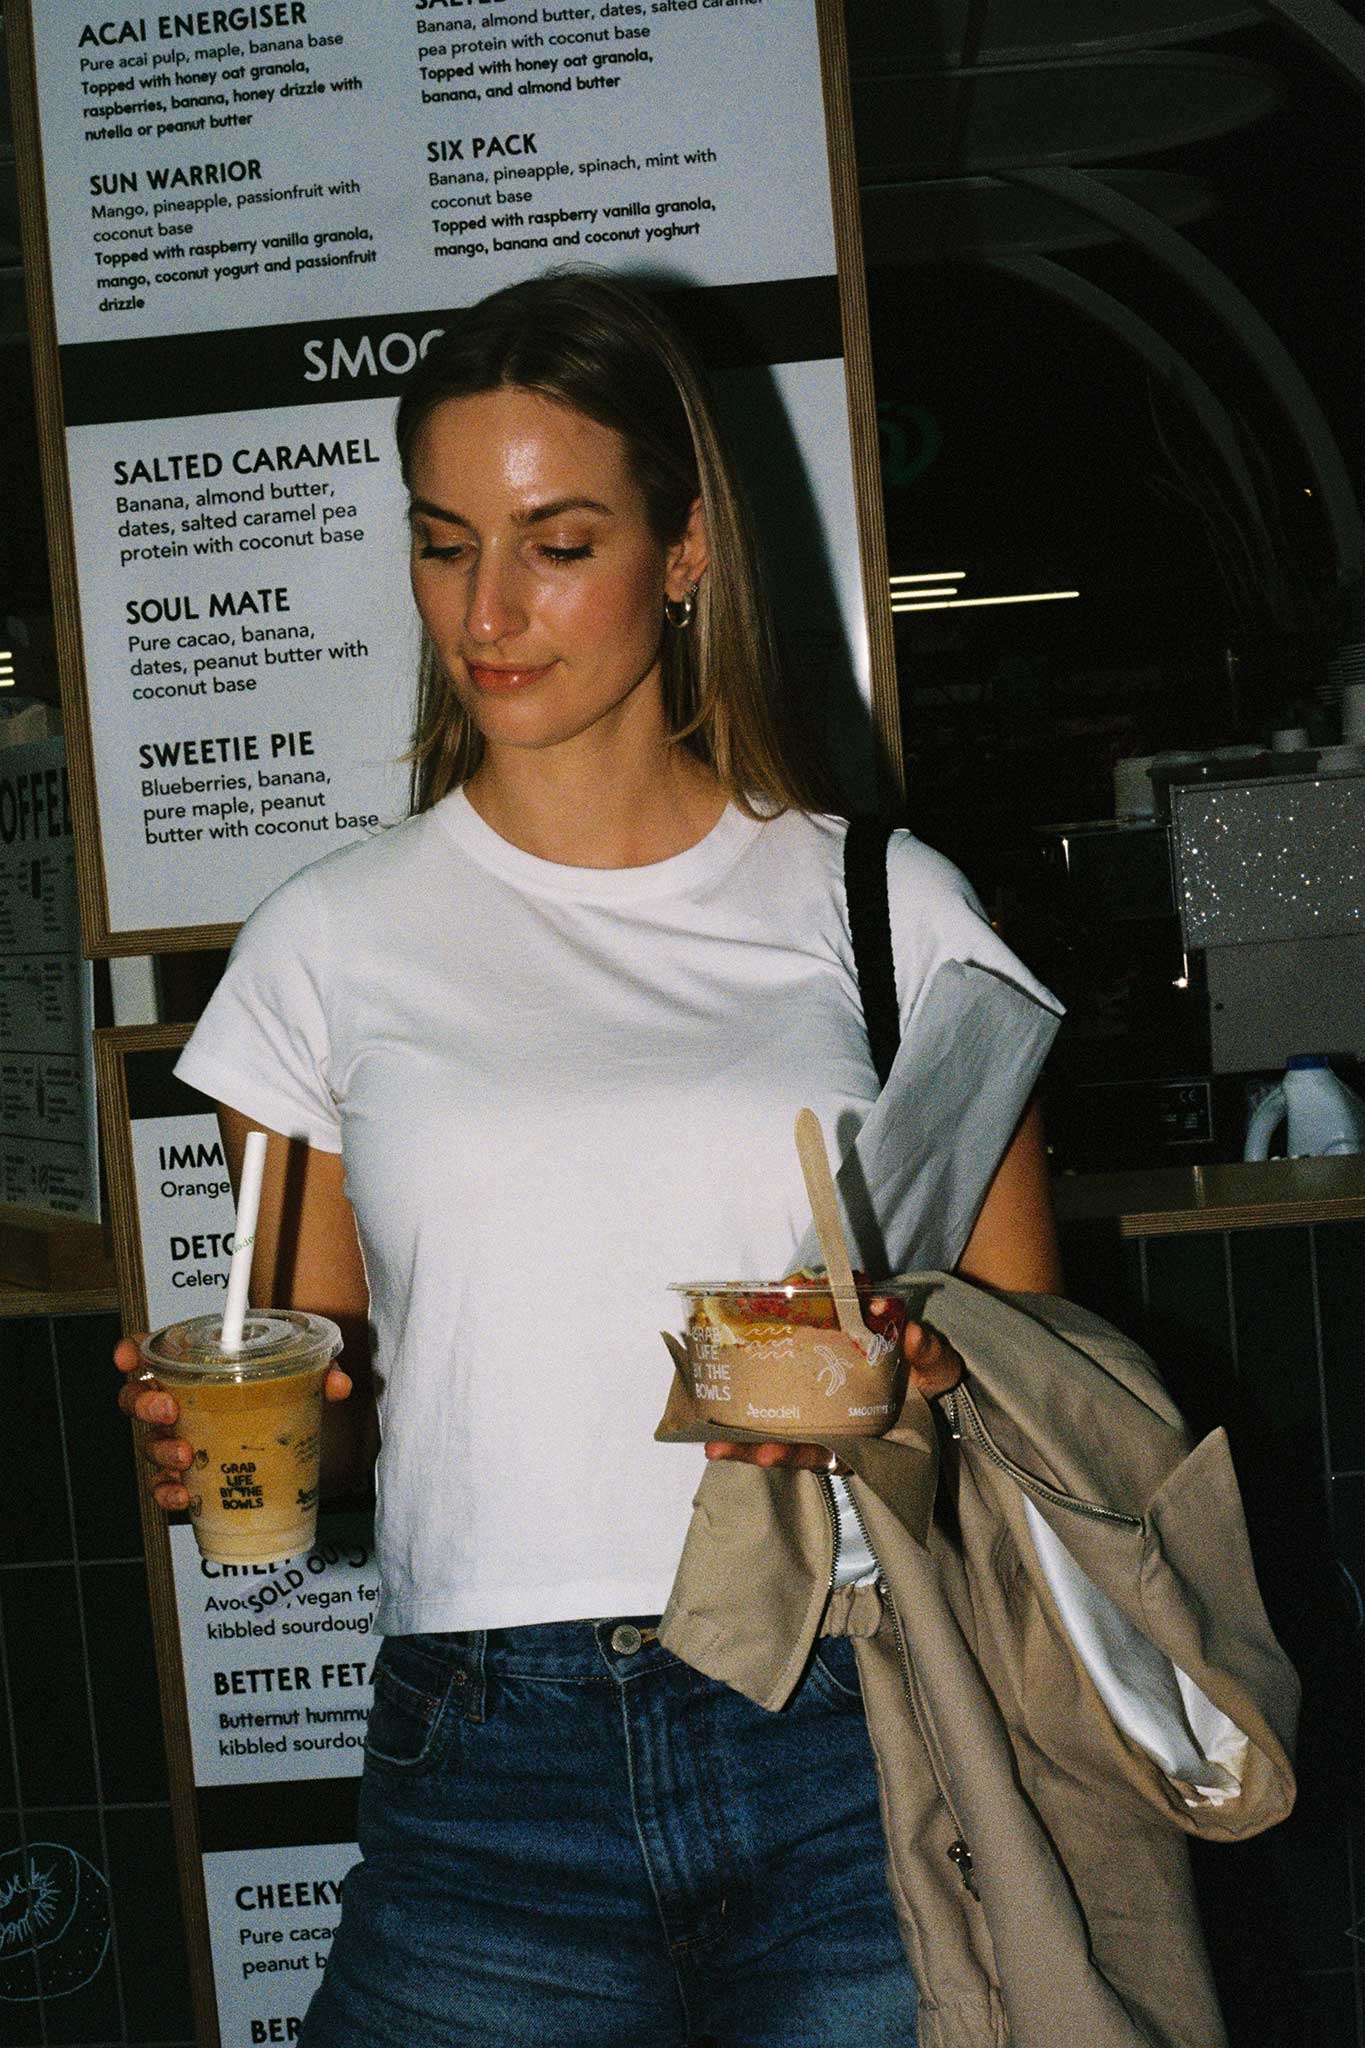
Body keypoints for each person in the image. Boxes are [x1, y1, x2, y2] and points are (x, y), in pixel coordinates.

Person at [117, 269, 1065, 2047]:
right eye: (443, 543)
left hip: (846, 1713)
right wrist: (231, 1437)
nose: (486, 612)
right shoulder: (326, 941)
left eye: (557, 543)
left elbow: (1035, 1357)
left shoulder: (886, 905)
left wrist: (917, 1364)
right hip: (489, 1749)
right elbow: (329, 1397)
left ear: (684, 549)